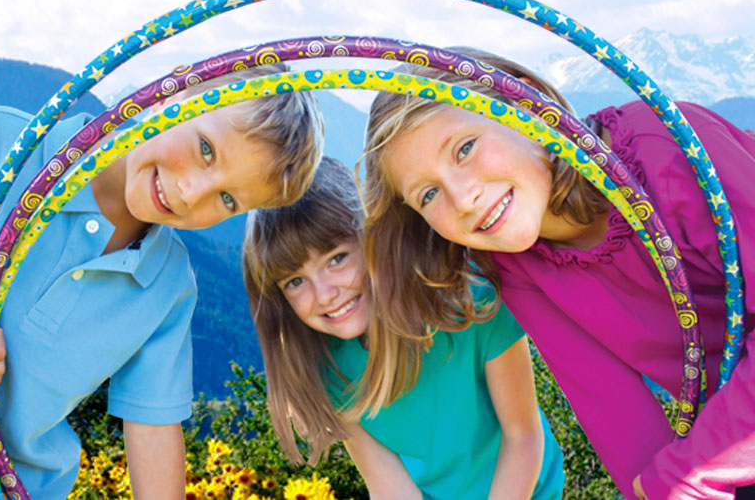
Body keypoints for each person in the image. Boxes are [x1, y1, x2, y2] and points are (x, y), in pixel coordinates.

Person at [359, 46, 755, 500]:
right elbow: (613, 410)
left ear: (525, 111)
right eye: (428, 194)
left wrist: (679, 481)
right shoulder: (516, 262)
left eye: (465, 149)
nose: (463, 198)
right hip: (724, 450)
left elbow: (672, 480)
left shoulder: (668, 149)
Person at [0, 61, 324, 499]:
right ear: (174, 91)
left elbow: (153, 428)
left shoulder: (167, 286)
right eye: (206, 149)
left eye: (227, 199)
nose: (191, 192)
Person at [242, 156, 565, 500]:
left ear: (372, 241)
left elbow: (523, 438)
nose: (324, 295)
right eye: (295, 281)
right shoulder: (325, 368)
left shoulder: (471, 306)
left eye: (337, 259)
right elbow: (388, 486)